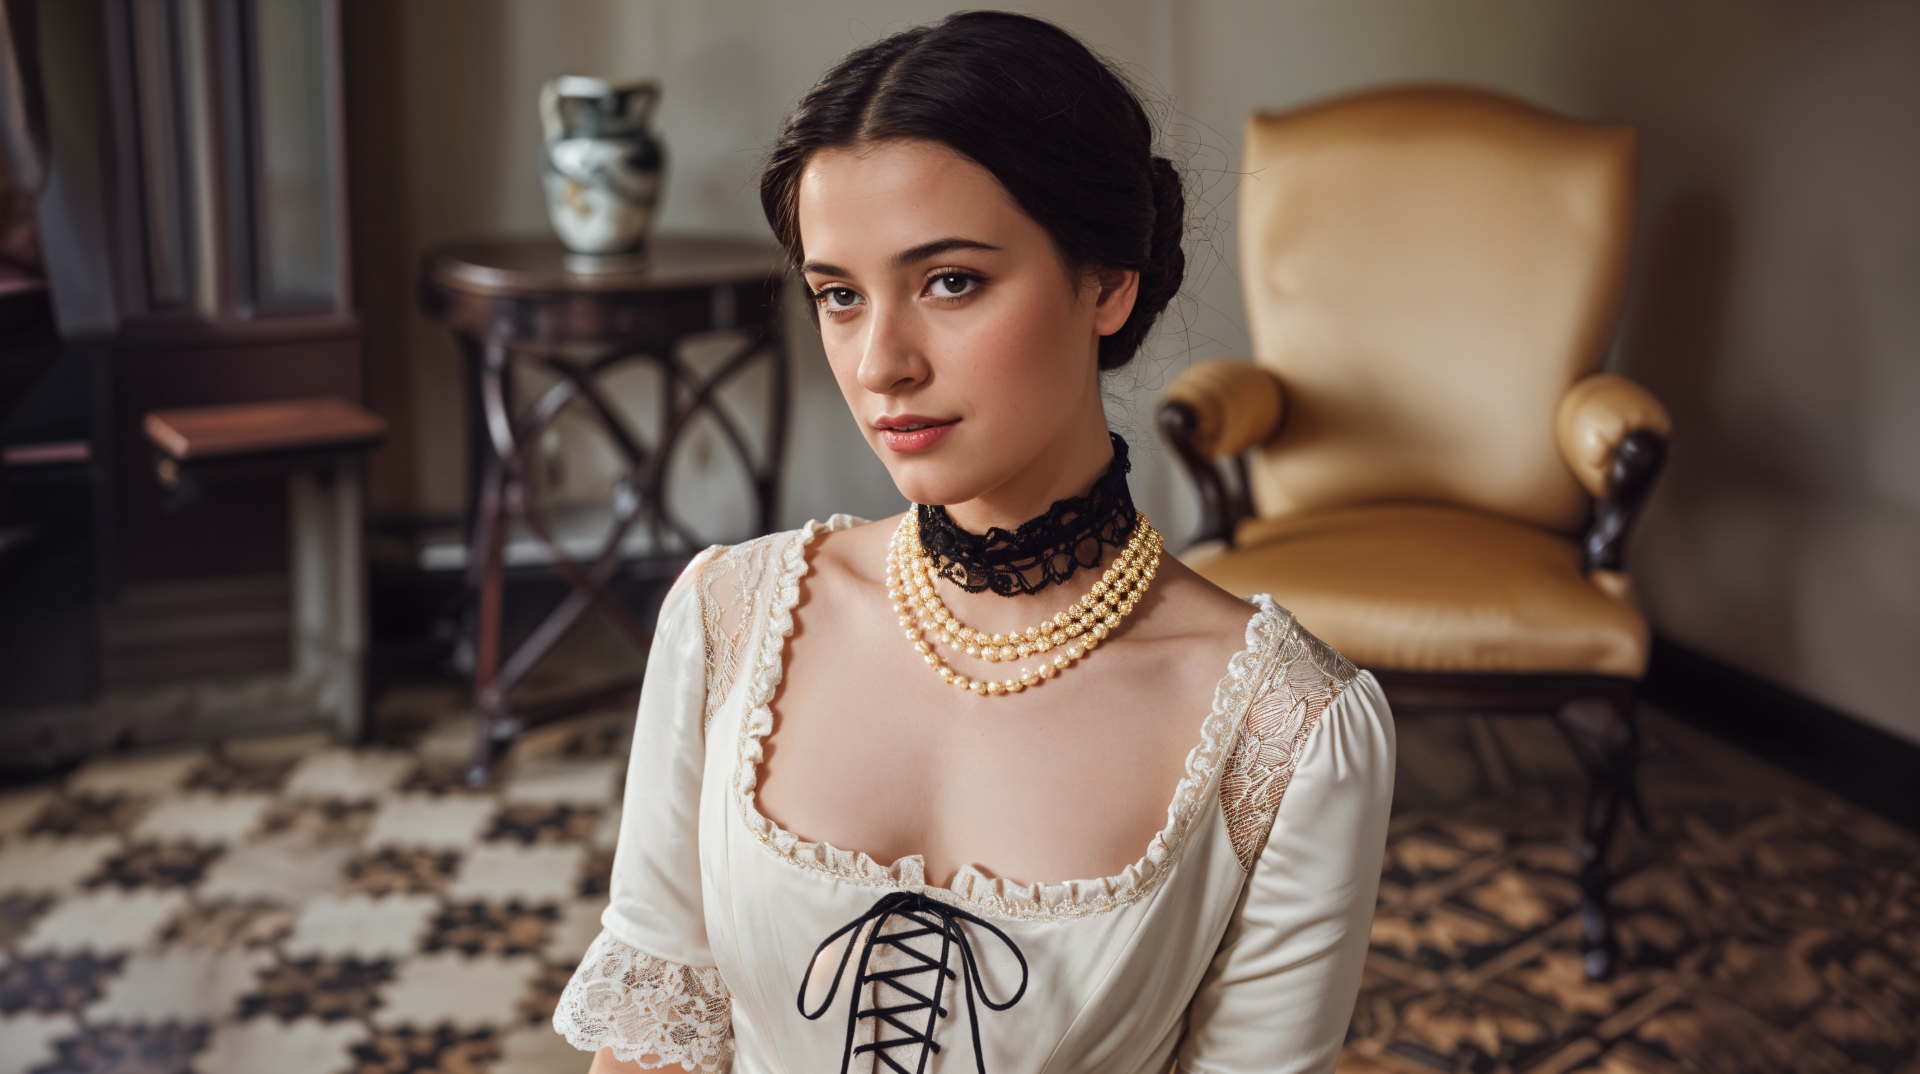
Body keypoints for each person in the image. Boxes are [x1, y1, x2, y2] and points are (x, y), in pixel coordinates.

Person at [553, 12, 1394, 1073]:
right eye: (839, 296)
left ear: (1106, 282)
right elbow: (651, 1046)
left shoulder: (1292, 733)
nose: (880, 363)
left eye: (950, 281)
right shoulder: (727, 619)